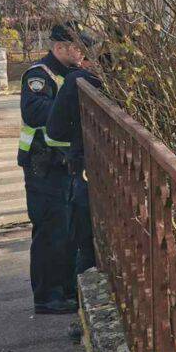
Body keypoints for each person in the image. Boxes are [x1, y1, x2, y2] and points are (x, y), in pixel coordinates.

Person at [18, 24, 86, 315]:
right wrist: (68, 107)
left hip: (64, 165)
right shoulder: (39, 75)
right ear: (59, 48)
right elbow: (34, 112)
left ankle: (67, 290)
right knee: (50, 232)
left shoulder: (71, 75)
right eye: (76, 47)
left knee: (68, 231)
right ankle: (47, 297)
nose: (82, 52)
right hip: (42, 165)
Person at [46, 55, 103, 281]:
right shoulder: (144, 81)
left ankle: (77, 298)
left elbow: (55, 130)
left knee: (87, 246)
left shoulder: (79, 81)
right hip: (131, 180)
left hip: (87, 172)